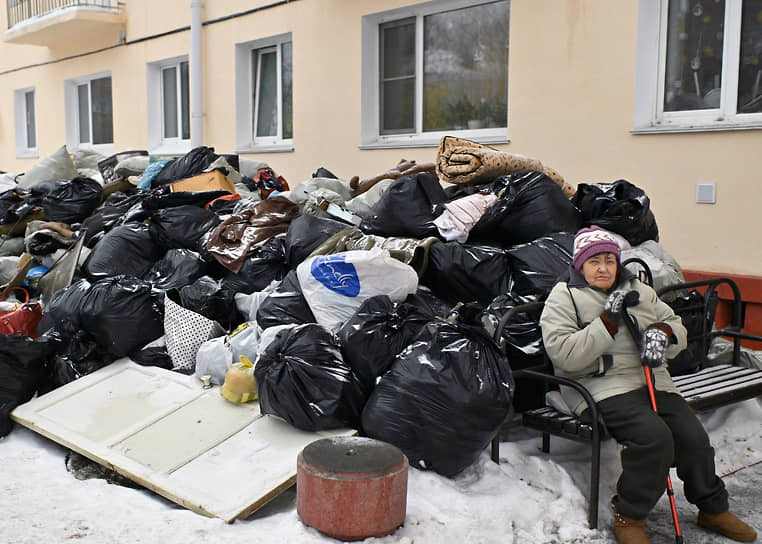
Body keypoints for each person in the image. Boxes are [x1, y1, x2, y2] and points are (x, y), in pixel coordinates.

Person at [539, 226, 757, 544]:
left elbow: (675, 324)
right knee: (654, 439)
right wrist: (606, 322)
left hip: (653, 381)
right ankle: (629, 516)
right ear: (580, 265)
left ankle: (712, 508)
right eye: (594, 262)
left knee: (693, 439)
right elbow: (564, 355)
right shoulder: (564, 297)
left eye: (609, 260)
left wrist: (663, 334)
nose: (603, 268)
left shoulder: (638, 289)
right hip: (602, 386)